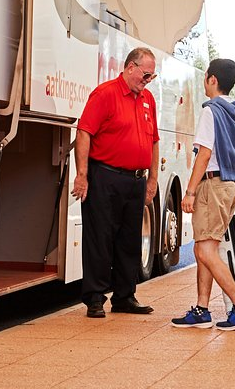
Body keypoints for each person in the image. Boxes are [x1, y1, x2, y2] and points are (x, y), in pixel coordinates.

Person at [71, 47, 159, 318]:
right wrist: (82, 174)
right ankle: (95, 298)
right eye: (145, 74)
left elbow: (154, 140)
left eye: (151, 76)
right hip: (105, 177)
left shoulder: (148, 100)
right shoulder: (105, 94)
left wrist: (153, 179)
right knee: (100, 238)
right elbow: (84, 132)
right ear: (130, 67)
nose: (147, 80)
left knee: (129, 240)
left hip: (135, 181)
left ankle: (124, 296)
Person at [171, 58, 235, 331]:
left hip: (212, 184)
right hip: (231, 185)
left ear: (212, 80)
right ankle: (201, 309)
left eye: (205, 76)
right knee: (206, 249)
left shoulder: (211, 111)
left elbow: (204, 153)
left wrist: (190, 191)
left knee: (204, 249)